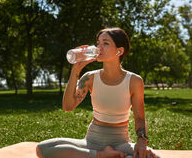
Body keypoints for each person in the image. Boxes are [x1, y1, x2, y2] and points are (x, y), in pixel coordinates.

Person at [36, 28, 160, 158]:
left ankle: (107, 156)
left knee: (153, 157)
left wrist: (142, 142)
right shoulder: (90, 78)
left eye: (105, 43)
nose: (99, 47)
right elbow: (68, 106)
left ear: (120, 51)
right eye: (98, 43)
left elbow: (140, 118)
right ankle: (101, 155)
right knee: (43, 148)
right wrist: (75, 71)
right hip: (91, 142)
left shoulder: (134, 81)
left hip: (121, 143)